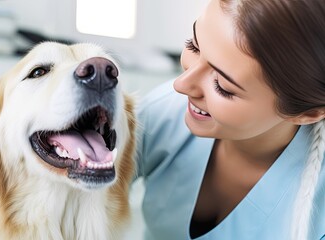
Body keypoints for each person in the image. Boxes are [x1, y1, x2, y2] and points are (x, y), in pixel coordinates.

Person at [135, 0, 325, 239]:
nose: (181, 84)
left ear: (308, 114)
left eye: (222, 87)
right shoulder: (160, 112)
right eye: (193, 46)